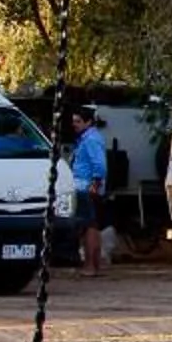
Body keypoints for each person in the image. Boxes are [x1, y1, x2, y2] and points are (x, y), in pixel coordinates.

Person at [66, 106, 110, 276]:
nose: (74, 125)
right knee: (89, 226)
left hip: (86, 187)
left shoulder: (91, 140)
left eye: (78, 121)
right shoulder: (86, 139)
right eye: (74, 121)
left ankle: (90, 266)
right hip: (84, 186)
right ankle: (92, 265)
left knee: (89, 226)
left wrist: (95, 186)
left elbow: (99, 165)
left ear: (88, 122)